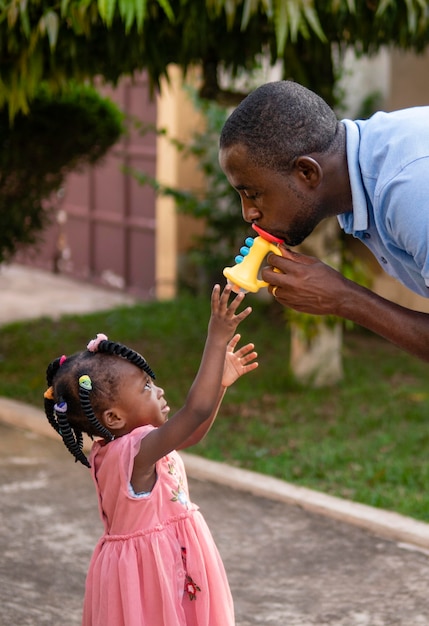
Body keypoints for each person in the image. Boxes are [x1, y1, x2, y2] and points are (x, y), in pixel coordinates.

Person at [42, 284, 258, 626]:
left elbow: (194, 430)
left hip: (148, 564)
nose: (158, 390)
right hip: (155, 572)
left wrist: (220, 385)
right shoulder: (137, 450)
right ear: (114, 417)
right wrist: (216, 338)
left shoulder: (113, 449)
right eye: (145, 387)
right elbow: (195, 411)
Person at [219, 79, 429, 362]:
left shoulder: (411, 189)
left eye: (253, 194)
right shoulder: (362, 169)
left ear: (307, 172)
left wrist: (344, 298)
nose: (248, 213)